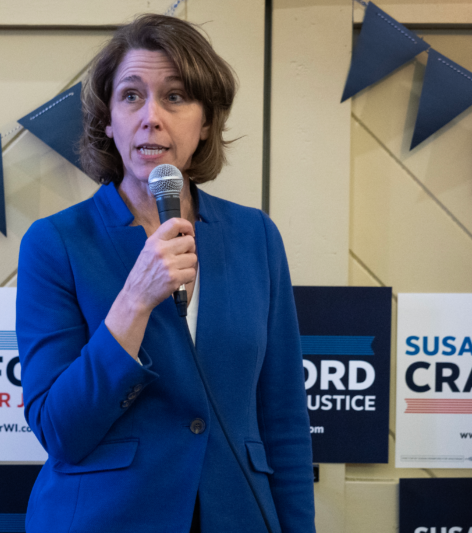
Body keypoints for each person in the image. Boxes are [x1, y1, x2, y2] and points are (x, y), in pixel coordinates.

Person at [16, 14, 315, 533]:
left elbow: (284, 420)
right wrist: (134, 301)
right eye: (131, 96)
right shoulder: (56, 242)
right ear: (107, 119)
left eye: (175, 96)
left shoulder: (255, 238)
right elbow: (58, 430)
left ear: (205, 123)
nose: (151, 116)